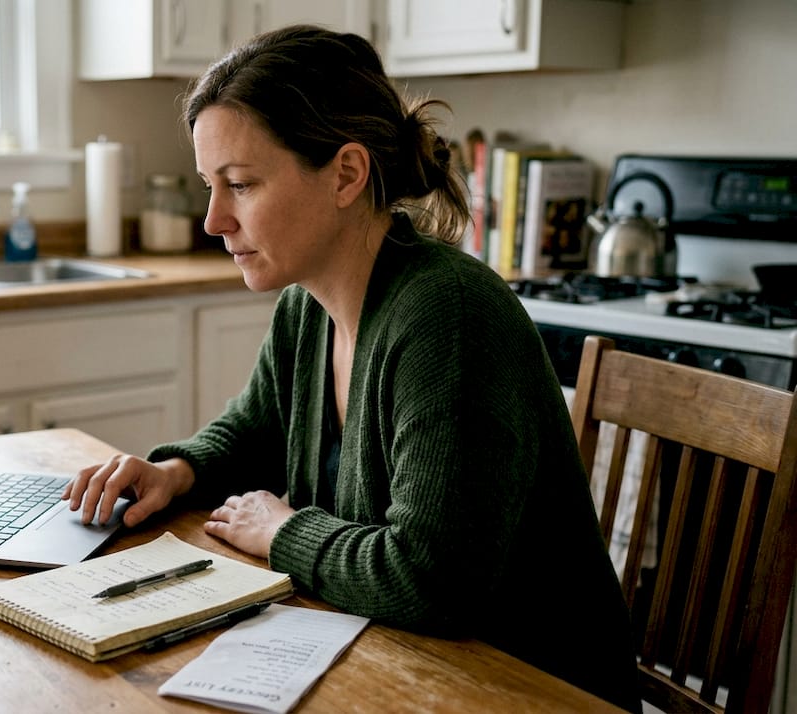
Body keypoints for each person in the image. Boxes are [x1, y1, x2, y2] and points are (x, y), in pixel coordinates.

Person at [63, 25, 639, 712]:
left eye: (241, 185)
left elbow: (432, 581)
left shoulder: (448, 316)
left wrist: (282, 531)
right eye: (210, 186)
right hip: (397, 662)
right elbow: (254, 431)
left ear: (345, 174)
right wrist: (176, 472)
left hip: (524, 689)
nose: (215, 220)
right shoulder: (307, 305)